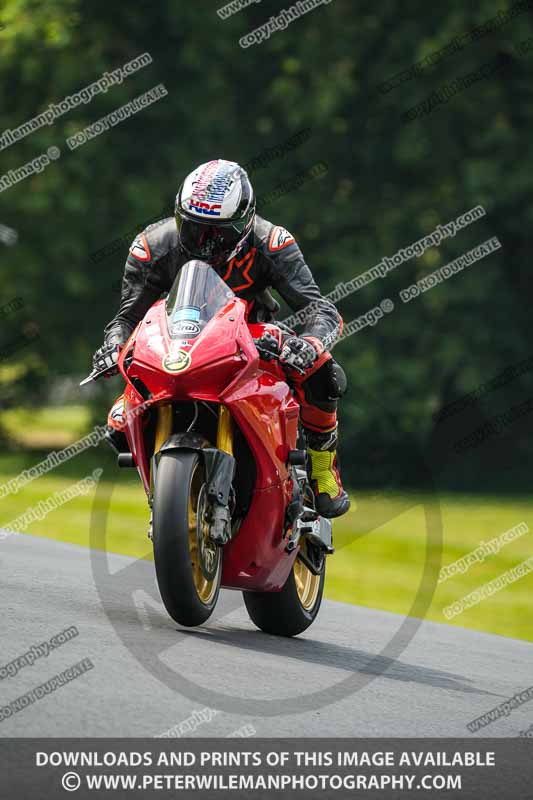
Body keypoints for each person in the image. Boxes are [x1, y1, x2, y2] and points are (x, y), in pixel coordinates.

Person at [93, 159, 350, 517]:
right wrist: (113, 345)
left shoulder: (272, 243)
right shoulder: (151, 247)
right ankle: (171, 493)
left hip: (251, 336)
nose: (204, 243)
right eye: (194, 229)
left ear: (244, 225)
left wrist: (307, 345)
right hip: (176, 342)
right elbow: (126, 319)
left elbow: (321, 311)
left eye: (218, 233)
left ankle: (323, 467)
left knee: (325, 373)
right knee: (118, 426)